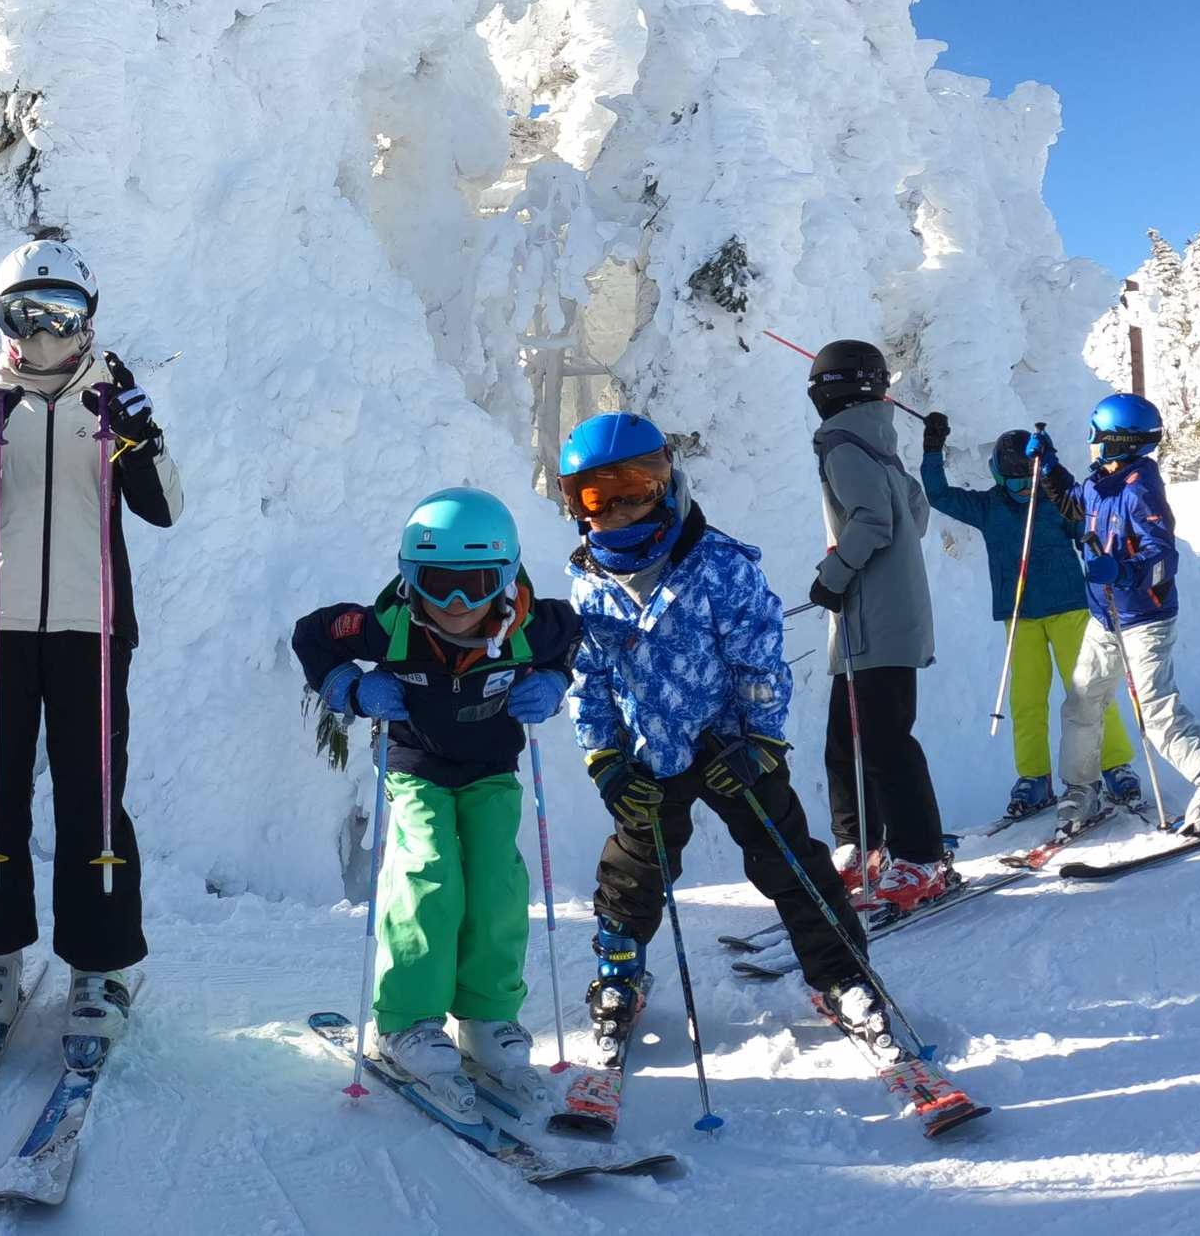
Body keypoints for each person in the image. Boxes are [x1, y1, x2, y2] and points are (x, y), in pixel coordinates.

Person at [560, 413, 898, 1057]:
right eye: (598, 497)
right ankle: (618, 973)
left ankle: (842, 975)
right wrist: (603, 756)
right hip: (649, 752)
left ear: (665, 483)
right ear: (577, 504)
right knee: (633, 870)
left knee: (788, 857)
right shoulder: (588, 583)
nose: (621, 511)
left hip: (732, 747)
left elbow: (760, 660)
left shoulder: (718, 565)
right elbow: (590, 677)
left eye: (636, 487)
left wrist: (761, 740)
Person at [0, 238, 181, 1052]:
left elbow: (164, 506)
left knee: (92, 797)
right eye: (25, 314)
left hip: (92, 625)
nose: (44, 334)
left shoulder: (113, 399)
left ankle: (99, 964)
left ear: (89, 319)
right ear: (2, 317)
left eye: (62, 315)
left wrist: (142, 440)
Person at [292, 489, 577, 1124]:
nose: (454, 605)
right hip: (416, 766)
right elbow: (312, 636)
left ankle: (486, 1013)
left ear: (503, 578)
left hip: (491, 767)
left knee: (497, 885)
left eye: (473, 585)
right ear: (409, 575)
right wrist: (351, 686)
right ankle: (409, 1020)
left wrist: (555, 681)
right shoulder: (385, 624)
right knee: (429, 874)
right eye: (436, 584)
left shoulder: (534, 623)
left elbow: (573, 640)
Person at [1036, 394, 1200, 835]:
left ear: (1121, 442)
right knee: (1081, 701)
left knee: (1155, 708)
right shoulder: (1104, 481)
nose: (1092, 444)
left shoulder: (1140, 489)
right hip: (1105, 617)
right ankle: (1082, 789)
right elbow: (1073, 504)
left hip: (1144, 619)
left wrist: (1121, 569)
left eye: (1098, 437)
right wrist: (1049, 466)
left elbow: (1164, 559)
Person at [919, 412, 1139, 822]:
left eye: (1029, 482)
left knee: (1087, 692)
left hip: (1070, 608)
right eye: (1015, 483)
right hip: (1019, 617)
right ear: (998, 477)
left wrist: (1106, 561)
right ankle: (1034, 778)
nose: (1023, 490)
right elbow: (939, 495)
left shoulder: (1055, 501)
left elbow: (1087, 527)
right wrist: (933, 449)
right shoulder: (988, 507)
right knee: (1026, 700)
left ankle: (1113, 766)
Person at [803, 339, 949, 910]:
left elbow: (878, 520)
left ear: (827, 389)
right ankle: (861, 847)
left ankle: (918, 858)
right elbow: (915, 512)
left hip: (874, 623)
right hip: (881, 622)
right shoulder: (879, 444)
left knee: (883, 743)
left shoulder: (843, 446)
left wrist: (833, 575)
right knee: (847, 740)